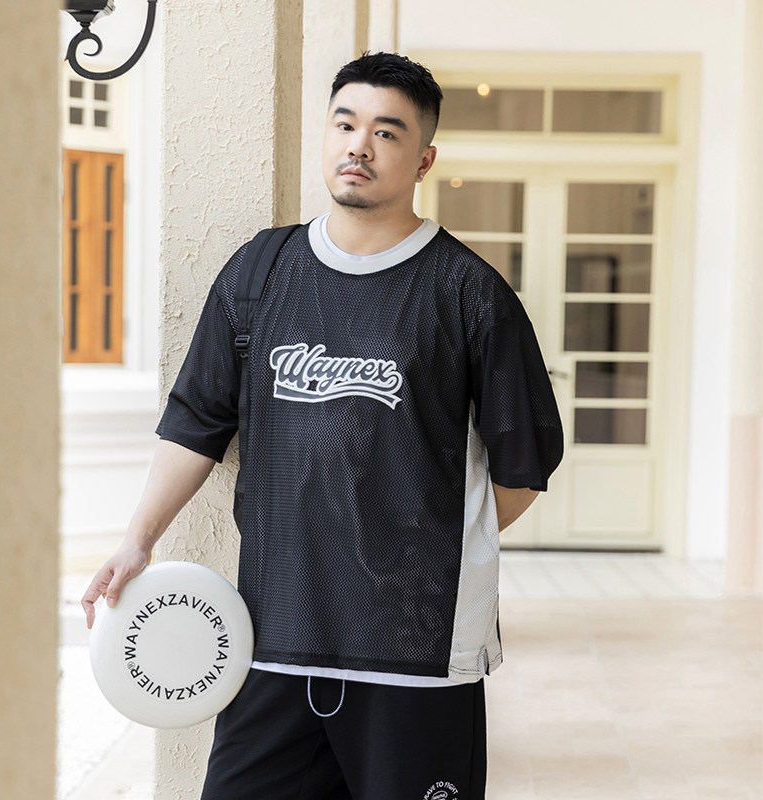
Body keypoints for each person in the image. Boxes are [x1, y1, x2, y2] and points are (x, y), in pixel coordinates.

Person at [82, 51, 563, 799]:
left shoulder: (470, 293)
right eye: (345, 124)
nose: (359, 145)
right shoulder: (260, 271)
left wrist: (419, 544)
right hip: (270, 640)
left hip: (414, 653)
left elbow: (523, 470)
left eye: (387, 132)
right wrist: (137, 540)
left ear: (424, 159)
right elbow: (196, 423)